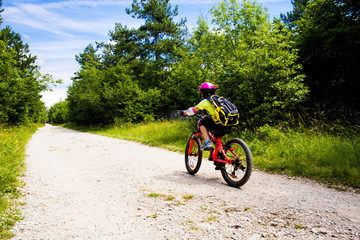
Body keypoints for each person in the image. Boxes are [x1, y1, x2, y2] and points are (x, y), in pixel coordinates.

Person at [181, 82, 232, 150]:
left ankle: (207, 142)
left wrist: (184, 113)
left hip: (219, 124)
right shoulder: (220, 99)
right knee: (215, 138)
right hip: (229, 123)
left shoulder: (205, 101)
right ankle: (220, 155)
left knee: (202, 123)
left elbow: (192, 111)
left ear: (202, 93)